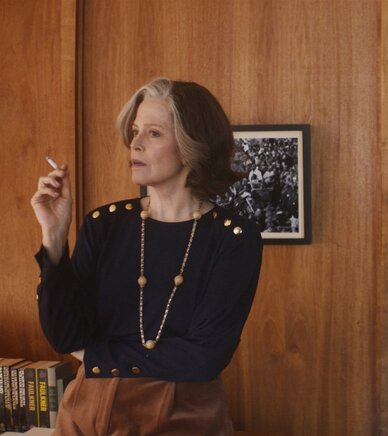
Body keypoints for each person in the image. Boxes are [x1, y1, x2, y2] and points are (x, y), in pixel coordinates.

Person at [31, 78, 263, 435]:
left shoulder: (233, 238)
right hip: (85, 412)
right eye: (135, 131)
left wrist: (95, 356)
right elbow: (65, 336)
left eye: (153, 133)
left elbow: (205, 357)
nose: (135, 143)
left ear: (192, 145)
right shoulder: (104, 223)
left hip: (183, 417)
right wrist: (54, 237)